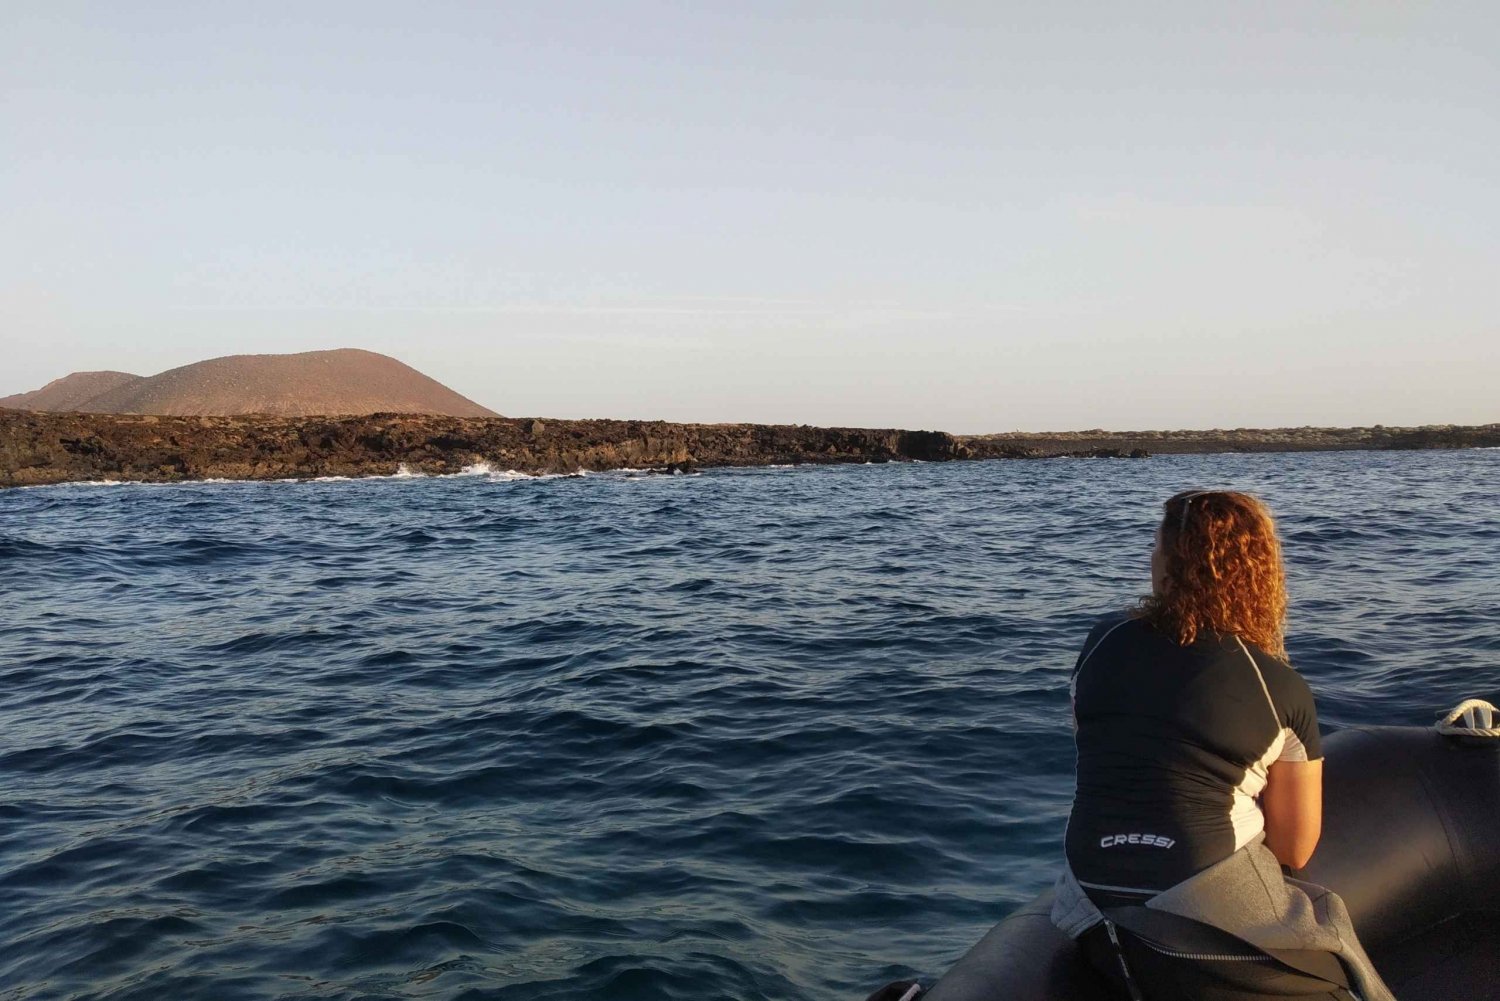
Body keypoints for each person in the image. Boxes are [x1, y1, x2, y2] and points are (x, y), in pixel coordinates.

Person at [1051, 490, 1393, 1001]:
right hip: (1201, 906)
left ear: (1171, 564)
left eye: (1155, 545)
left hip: (1086, 899)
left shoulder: (1101, 641)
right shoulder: (1276, 684)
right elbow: (1295, 847)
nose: (1149, 557)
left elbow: (1103, 747)